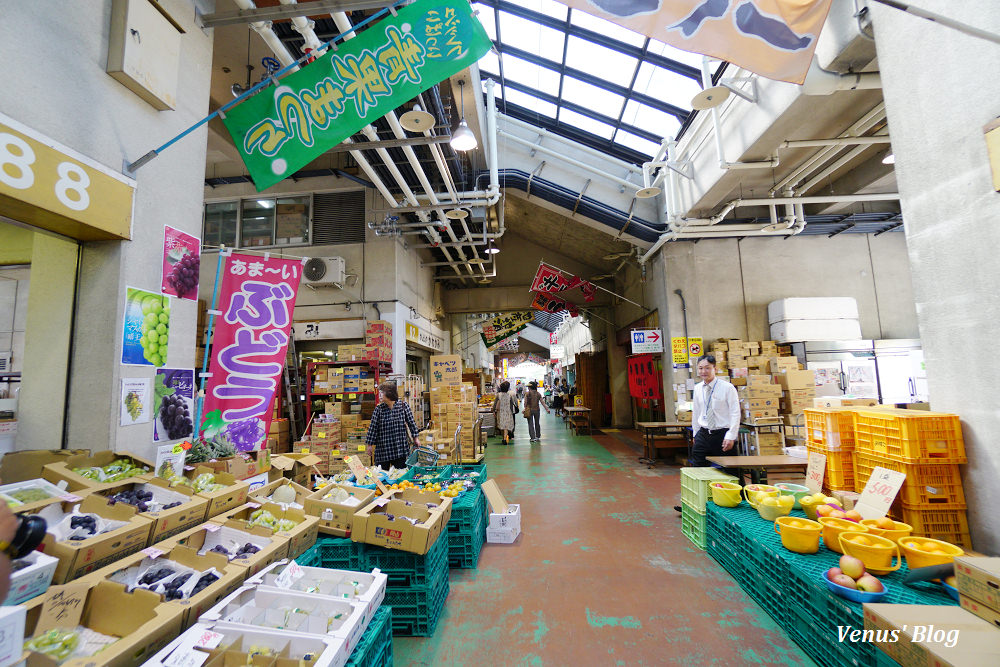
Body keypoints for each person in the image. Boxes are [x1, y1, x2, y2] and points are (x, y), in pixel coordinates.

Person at [675, 355, 740, 512]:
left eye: (707, 368)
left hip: (722, 435)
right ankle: (693, 504)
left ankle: (737, 504)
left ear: (715, 369)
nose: (703, 371)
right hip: (703, 434)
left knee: (730, 471)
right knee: (697, 470)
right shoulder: (698, 388)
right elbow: (697, 412)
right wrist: (696, 434)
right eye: (701, 368)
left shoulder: (727, 388)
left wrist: (731, 435)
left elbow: (735, 412)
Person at [365, 381, 420, 470]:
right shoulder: (379, 409)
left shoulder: (403, 406)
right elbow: (373, 428)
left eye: (382, 392)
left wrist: (416, 438)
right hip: (383, 449)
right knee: (381, 475)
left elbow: (411, 423)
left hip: (400, 448)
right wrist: (369, 445)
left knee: (400, 473)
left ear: (390, 393)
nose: (380, 395)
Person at [492, 380, 518, 445]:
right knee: (506, 426)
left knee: (501, 425)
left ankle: (503, 438)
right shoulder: (509, 395)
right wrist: (513, 412)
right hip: (508, 412)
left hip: (500, 412)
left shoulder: (498, 395)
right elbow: (512, 404)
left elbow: (495, 404)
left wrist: (493, 411)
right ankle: (504, 438)